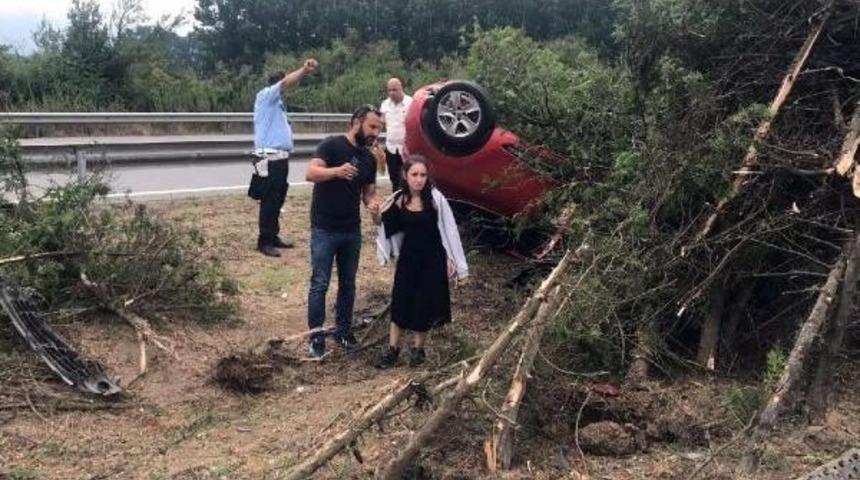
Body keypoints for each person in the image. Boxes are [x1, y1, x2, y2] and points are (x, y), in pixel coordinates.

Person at [374, 155, 468, 368]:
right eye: (414, 174)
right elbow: (386, 227)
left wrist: (451, 258)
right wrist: (375, 216)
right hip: (409, 259)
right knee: (400, 300)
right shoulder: (399, 199)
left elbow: (448, 230)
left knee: (424, 303)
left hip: (432, 259)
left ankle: (418, 350)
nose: (419, 179)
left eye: (423, 175)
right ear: (405, 176)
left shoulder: (436, 200)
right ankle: (393, 350)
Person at [305, 105, 383, 358]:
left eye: (379, 129)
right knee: (320, 283)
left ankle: (343, 331)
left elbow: (368, 193)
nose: (375, 134)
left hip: (351, 229)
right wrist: (335, 171)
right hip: (324, 228)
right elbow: (310, 172)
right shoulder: (331, 145)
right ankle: (316, 337)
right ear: (357, 122)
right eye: (372, 127)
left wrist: (372, 205)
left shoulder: (369, 158)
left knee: (348, 284)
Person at [253, 58, 318, 258]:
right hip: (268, 158)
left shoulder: (277, 103)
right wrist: (304, 71)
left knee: (278, 198)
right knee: (269, 200)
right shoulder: (266, 95)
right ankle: (264, 241)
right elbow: (287, 82)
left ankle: (273, 236)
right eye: (285, 83)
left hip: (279, 158)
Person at [379, 77, 413, 191]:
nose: (391, 93)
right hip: (391, 147)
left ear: (401, 88)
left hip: (407, 147)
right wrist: (375, 139)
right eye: (389, 90)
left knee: (407, 177)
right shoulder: (385, 104)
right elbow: (381, 123)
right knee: (394, 178)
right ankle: (396, 202)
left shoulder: (411, 103)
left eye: (394, 90)